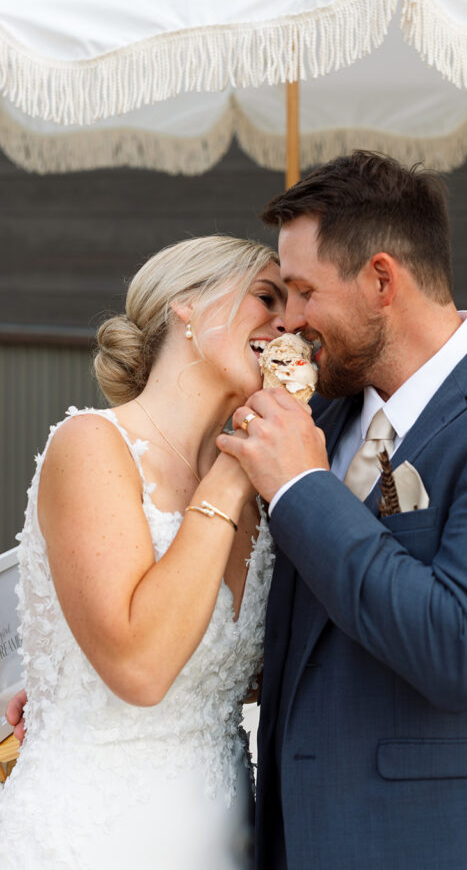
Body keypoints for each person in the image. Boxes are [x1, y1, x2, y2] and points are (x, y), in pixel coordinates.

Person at [218, 151, 467, 870]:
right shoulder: (320, 413)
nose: (288, 323)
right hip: (297, 837)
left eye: (301, 292)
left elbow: (459, 646)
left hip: (435, 840)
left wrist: (302, 490)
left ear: (381, 279)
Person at [0, 234, 287, 870]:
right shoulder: (92, 446)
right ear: (186, 304)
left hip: (225, 834)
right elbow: (141, 670)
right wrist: (234, 473)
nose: (286, 323)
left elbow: (236, 674)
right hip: (91, 837)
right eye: (267, 296)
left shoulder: (264, 498)